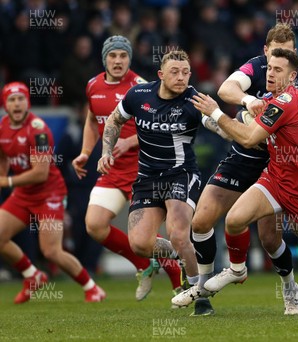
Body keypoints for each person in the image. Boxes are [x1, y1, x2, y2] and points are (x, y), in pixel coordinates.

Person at [172, 48, 298, 314]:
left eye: (278, 70)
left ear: (293, 76)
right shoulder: (277, 99)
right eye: (269, 68)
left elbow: (249, 138)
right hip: (275, 177)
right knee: (235, 220)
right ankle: (237, 269)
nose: (270, 73)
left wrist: (215, 114)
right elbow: (243, 119)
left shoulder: (285, 101)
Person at [184, 23, 298, 316]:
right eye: (273, 56)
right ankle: (204, 292)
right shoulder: (255, 68)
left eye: (286, 55)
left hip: (278, 163)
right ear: (264, 53)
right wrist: (249, 100)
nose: (275, 67)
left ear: (295, 55)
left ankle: (289, 287)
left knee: (271, 238)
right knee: (200, 220)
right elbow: (225, 88)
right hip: (245, 155)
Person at [97, 49, 227, 301]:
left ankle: (199, 296)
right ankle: (181, 257)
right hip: (147, 178)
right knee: (140, 244)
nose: (181, 77)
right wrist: (106, 151)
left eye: (186, 72)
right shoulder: (138, 95)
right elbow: (114, 121)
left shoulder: (195, 100)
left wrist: (234, 128)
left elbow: (220, 128)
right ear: (160, 75)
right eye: (175, 72)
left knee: (178, 233)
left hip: (181, 175)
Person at [71, 35, 183, 302]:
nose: (118, 61)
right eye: (113, 56)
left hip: (142, 171)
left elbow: (160, 125)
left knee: (146, 236)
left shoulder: (142, 87)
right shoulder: (92, 85)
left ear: (129, 58)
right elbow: (91, 120)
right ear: (105, 59)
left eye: (123, 56)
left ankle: (180, 284)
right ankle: (144, 266)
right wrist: (86, 152)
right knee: (94, 226)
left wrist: (130, 140)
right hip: (111, 170)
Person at [0, 82, 105, 303]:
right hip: (23, 194)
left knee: (51, 252)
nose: (17, 103)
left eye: (21, 99)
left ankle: (92, 287)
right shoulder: (3, 127)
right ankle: (32, 275)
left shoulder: (38, 130)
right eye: (12, 99)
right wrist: (3, 174)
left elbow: (40, 173)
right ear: (5, 104)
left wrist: (6, 180)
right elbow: (3, 156)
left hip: (50, 194)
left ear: (27, 102)